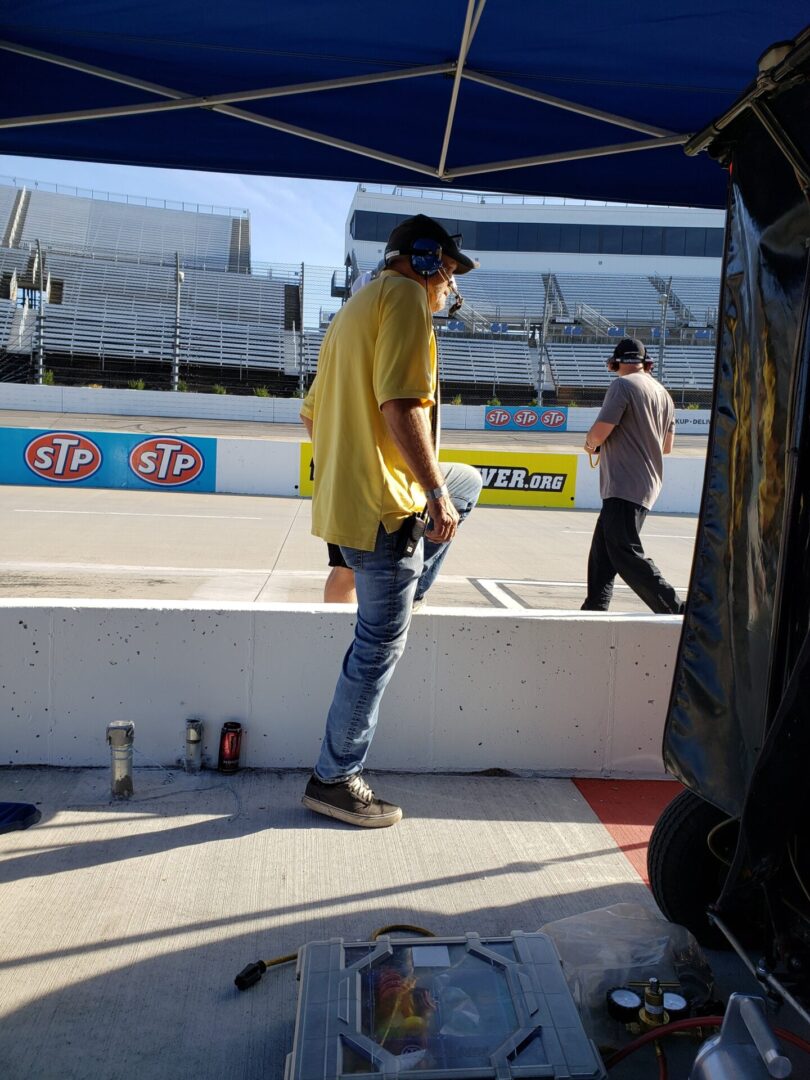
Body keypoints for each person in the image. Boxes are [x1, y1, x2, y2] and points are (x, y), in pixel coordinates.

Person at [299, 215, 482, 827]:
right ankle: (334, 778)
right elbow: (399, 405)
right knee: (377, 644)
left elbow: (310, 416)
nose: (450, 286)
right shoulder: (405, 299)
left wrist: (359, 464)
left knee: (469, 480)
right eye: (449, 271)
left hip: (346, 504)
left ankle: (413, 590)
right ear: (425, 261)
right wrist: (430, 491)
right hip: (386, 509)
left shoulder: (354, 309)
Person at [580, 337, 685, 615]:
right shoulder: (663, 393)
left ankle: (674, 607)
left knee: (624, 552)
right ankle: (594, 608)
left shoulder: (622, 386)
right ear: (645, 362)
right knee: (602, 554)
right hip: (645, 482)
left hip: (624, 483)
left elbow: (600, 432)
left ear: (616, 362)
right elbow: (667, 446)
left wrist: (590, 443)